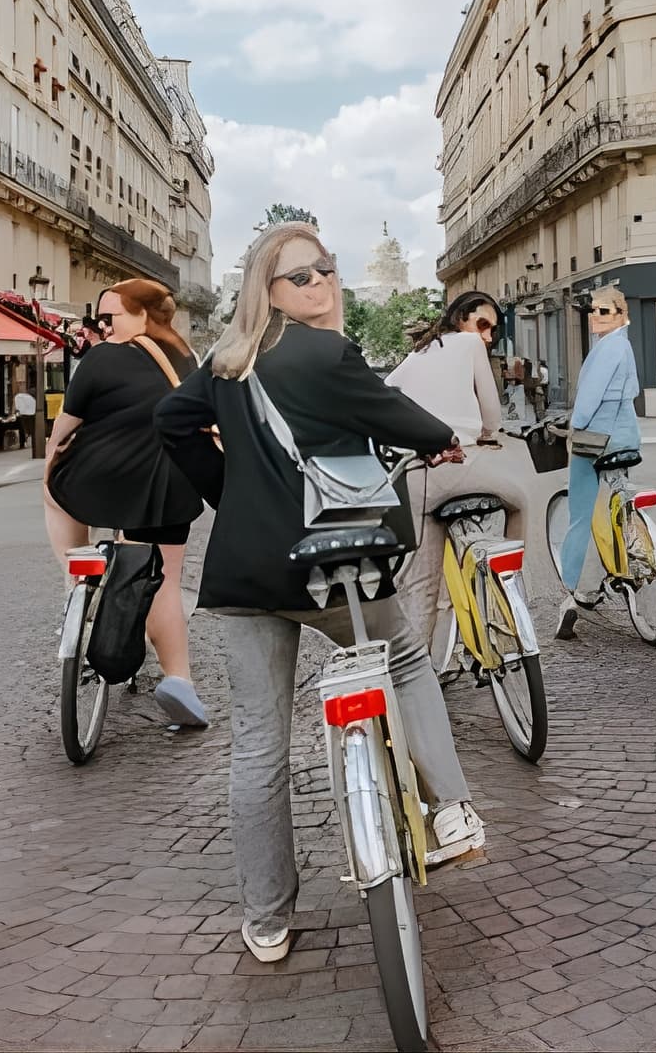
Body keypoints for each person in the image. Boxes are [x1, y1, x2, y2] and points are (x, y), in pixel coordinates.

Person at [154, 223, 485, 965]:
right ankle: (453, 809)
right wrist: (440, 438)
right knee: (401, 658)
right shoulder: (327, 352)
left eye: (327, 270)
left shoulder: (225, 362)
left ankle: (267, 919)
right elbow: (396, 417)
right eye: (302, 277)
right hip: (328, 564)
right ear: (268, 291)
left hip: (245, 576)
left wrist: (229, 495)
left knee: (259, 745)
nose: (322, 285)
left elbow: (171, 421)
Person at [43, 279, 209, 728]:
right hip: (167, 486)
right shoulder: (186, 360)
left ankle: (77, 582)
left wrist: (47, 471)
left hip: (96, 481)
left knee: (56, 496)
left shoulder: (101, 357)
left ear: (141, 316)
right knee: (165, 581)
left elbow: (61, 435)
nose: (102, 326)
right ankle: (179, 681)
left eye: (109, 317)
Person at [386, 291, 535, 659]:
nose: (486, 336)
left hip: (416, 477)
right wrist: (485, 434)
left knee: (422, 585)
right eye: (482, 325)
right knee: (519, 501)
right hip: (456, 466)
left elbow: (387, 392)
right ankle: (509, 591)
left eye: (492, 331)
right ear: (461, 319)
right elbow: (491, 415)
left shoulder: (418, 352)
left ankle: (414, 676)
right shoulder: (469, 346)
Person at [555, 286, 640, 640]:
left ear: (622, 315)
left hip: (595, 440)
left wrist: (572, 426)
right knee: (618, 502)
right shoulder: (624, 346)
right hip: (625, 439)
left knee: (579, 516)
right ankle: (632, 556)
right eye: (593, 310)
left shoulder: (609, 348)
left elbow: (589, 400)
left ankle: (571, 594)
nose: (595, 316)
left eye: (604, 311)